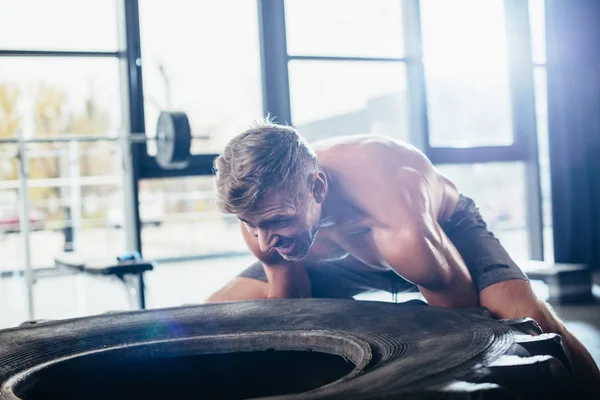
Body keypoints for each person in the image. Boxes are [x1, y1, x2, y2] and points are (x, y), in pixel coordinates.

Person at [206, 120, 600, 396]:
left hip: (444, 232)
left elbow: (467, 334)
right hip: (337, 253)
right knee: (215, 314)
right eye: (250, 224)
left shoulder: (400, 222)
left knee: (526, 318)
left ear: (317, 186)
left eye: (277, 221)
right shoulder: (263, 216)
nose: (263, 237)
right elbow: (291, 310)